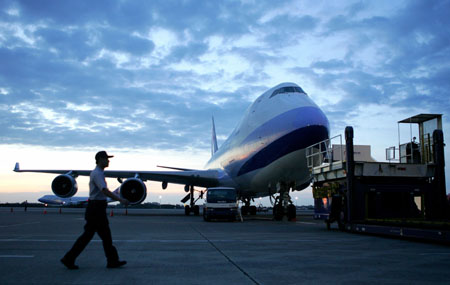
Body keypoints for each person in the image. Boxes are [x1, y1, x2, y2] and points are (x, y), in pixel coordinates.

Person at [60, 151, 129, 269]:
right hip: (96, 209)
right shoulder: (97, 174)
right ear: (100, 159)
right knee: (97, 236)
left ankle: (111, 261)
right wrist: (120, 199)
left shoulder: (98, 173)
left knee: (99, 236)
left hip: (97, 208)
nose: (108, 161)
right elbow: (104, 190)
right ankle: (69, 258)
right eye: (106, 158)